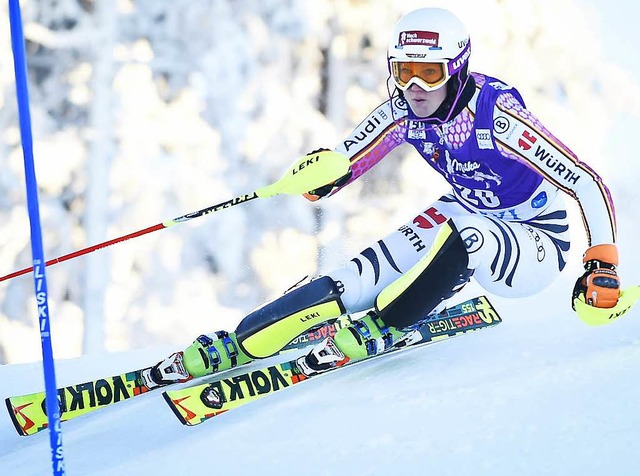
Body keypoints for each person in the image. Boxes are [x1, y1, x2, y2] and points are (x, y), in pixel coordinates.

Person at [142, 7, 622, 388]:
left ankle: (388, 323)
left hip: (535, 235)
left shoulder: (496, 116)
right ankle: (248, 337)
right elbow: (347, 157)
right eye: (403, 71)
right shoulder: (402, 111)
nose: (414, 88)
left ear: (455, 69)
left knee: (468, 236)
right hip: (466, 210)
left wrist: (602, 262)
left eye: (428, 73)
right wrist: (323, 174)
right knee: (372, 264)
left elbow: (584, 179)